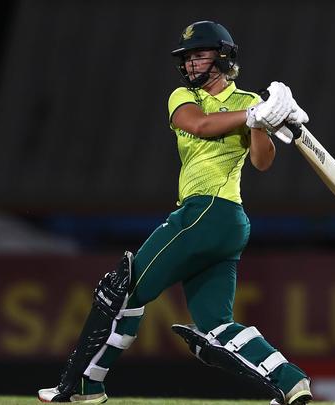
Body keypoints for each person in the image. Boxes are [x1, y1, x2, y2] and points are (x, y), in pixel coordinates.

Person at [38, 20, 312, 405]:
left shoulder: (249, 101)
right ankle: (291, 382)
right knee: (216, 324)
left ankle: (83, 386)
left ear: (223, 57)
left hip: (209, 211)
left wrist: (265, 123)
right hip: (224, 224)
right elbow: (198, 125)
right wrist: (254, 114)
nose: (190, 65)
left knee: (125, 289)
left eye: (198, 56)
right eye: (186, 59)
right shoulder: (185, 98)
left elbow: (262, 162)